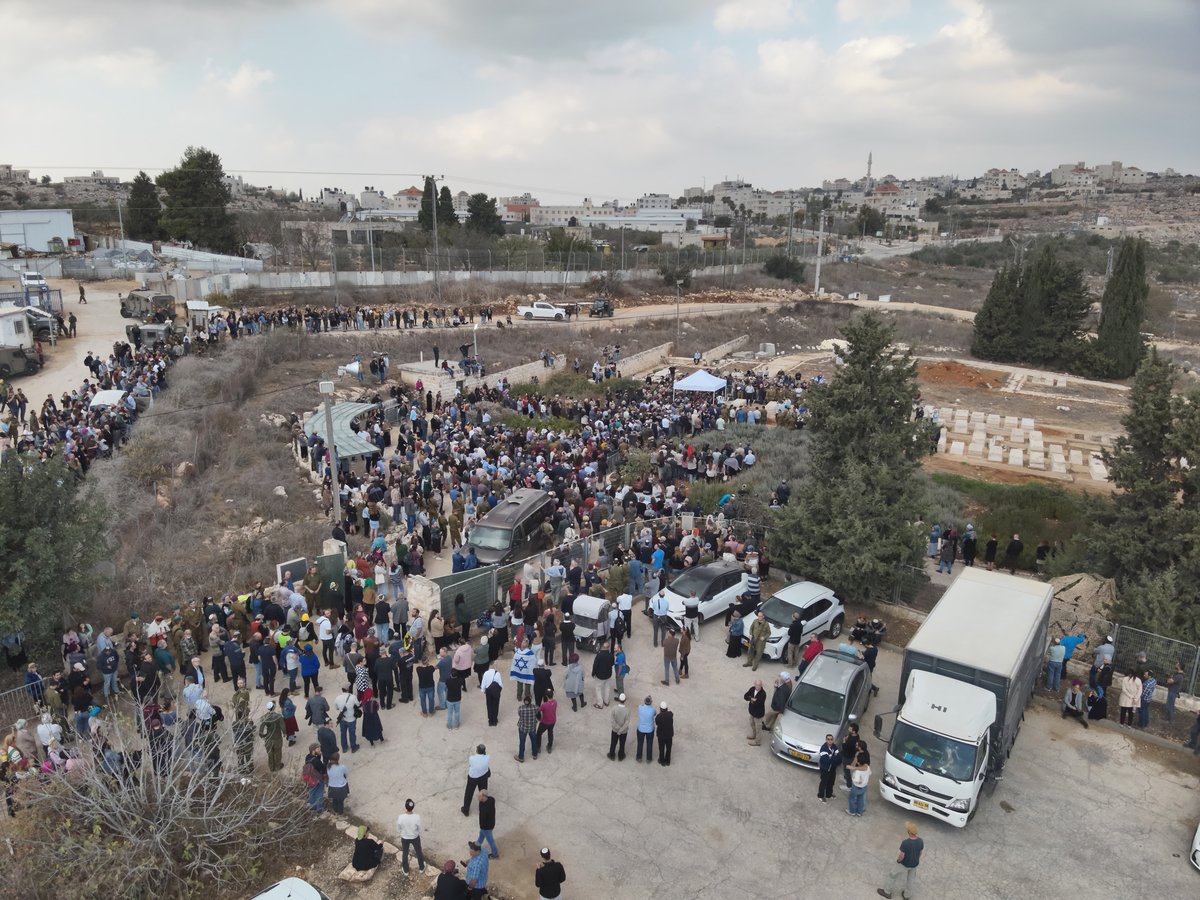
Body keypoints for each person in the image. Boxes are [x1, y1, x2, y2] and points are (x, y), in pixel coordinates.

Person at [878, 821, 923, 899]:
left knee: (892, 875)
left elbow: (902, 855)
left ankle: (887, 892)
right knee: (910, 880)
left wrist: (898, 861)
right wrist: (916, 859)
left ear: (909, 832)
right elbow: (920, 852)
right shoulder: (920, 841)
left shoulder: (906, 843)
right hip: (915, 864)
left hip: (904, 864)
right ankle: (907, 895)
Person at [396, 798, 428, 875]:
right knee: (418, 852)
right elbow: (420, 829)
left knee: (405, 852)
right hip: (415, 837)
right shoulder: (417, 817)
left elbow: (398, 828)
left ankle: (406, 870)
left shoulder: (401, 817)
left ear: (405, 807)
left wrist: (403, 833)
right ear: (413, 807)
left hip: (404, 838)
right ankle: (421, 867)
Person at [462, 744, 490, 816]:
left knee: (469, 793)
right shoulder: (488, 757)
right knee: (483, 792)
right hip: (483, 776)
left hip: (473, 778)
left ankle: (466, 810)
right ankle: (483, 808)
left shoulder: (472, 758)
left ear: (477, 751)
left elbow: (471, 765)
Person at [258, 700, 284, 772]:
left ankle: (271, 767)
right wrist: (285, 733)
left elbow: (261, 730)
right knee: (278, 752)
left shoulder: (264, 717)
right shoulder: (278, 716)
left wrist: (263, 736)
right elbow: (283, 727)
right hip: (277, 737)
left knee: (270, 753)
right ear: (274, 707)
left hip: (268, 738)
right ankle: (277, 766)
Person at [334, 684, 360, 753]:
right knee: (352, 733)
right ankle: (353, 747)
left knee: (343, 733)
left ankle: (344, 747)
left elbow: (336, 708)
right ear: (348, 689)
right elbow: (357, 704)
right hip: (351, 718)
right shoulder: (353, 697)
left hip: (342, 719)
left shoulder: (337, 698)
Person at [302, 743, 327, 811]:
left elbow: (315, 762)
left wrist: (318, 756)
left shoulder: (308, 757)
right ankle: (319, 808)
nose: (319, 750)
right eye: (318, 749)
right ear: (313, 750)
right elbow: (322, 767)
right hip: (317, 779)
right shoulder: (316, 760)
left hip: (310, 779)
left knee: (312, 791)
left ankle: (313, 805)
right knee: (319, 792)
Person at [817, 733, 841, 802]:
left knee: (831, 782)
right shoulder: (823, 748)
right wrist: (834, 757)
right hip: (825, 769)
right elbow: (826, 760)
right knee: (824, 782)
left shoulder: (834, 746)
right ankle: (820, 795)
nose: (830, 741)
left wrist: (831, 757)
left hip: (832, 768)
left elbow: (839, 758)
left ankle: (829, 794)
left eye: (831, 739)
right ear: (826, 740)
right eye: (828, 739)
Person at [515, 695, 539, 762]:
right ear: (530, 702)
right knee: (534, 740)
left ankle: (521, 757)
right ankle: (535, 754)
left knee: (522, 742)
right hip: (532, 727)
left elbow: (519, 715)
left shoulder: (520, 708)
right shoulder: (535, 707)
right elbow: (537, 712)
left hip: (523, 728)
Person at [476, 789, 499, 858]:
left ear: (483, 796)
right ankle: (477, 846)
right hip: (491, 823)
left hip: (486, 827)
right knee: (481, 835)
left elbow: (482, 819)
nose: (477, 797)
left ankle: (495, 854)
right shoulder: (491, 799)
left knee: (490, 841)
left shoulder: (484, 808)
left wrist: (482, 827)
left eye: (479, 796)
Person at [848, 750, 871, 817]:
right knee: (860, 799)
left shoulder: (858, 771)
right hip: (864, 787)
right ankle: (859, 812)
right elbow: (869, 773)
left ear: (859, 762)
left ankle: (852, 812)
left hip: (856, 787)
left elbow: (856, 780)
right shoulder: (867, 768)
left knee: (851, 799)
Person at [607, 692, 629, 761]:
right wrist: (621, 730)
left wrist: (618, 729)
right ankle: (621, 756)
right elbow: (627, 722)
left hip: (615, 730)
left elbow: (612, 720)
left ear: (619, 699)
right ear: (625, 700)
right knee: (622, 744)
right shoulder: (627, 710)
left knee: (613, 743)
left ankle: (612, 755)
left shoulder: (614, 708)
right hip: (624, 731)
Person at [744, 680, 766, 746]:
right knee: (752, 724)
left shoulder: (763, 694)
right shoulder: (752, 689)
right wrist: (752, 699)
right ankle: (754, 735)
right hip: (752, 712)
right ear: (754, 684)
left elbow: (758, 704)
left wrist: (750, 698)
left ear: (761, 685)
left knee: (758, 728)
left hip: (758, 714)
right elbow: (745, 696)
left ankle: (758, 742)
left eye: (759, 685)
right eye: (756, 684)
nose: (757, 686)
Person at [635, 695, 655, 763]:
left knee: (640, 743)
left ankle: (639, 757)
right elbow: (655, 714)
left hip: (641, 729)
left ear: (644, 701)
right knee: (649, 744)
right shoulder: (653, 709)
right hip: (650, 730)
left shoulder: (640, 707)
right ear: (651, 702)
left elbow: (642, 705)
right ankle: (649, 758)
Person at [537, 689, 557, 754]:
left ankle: (538, 747)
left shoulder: (544, 705)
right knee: (550, 733)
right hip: (553, 720)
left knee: (539, 733)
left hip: (545, 722)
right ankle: (549, 747)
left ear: (546, 696)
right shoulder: (555, 702)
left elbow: (538, 710)